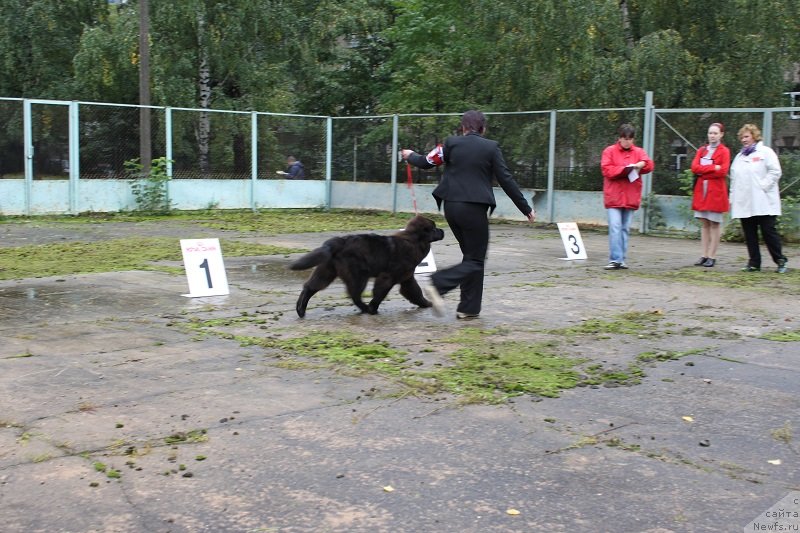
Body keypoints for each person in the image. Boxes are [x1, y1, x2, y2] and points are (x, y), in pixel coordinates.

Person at [400, 110, 534, 319]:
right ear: (483, 129)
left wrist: (410, 156)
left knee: (471, 258)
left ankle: (468, 308)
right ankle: (439, 283)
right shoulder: (491, 148)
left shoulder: (450, 144)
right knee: (476, 260)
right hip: (474, 208)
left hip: (451, 207)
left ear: (463, 128)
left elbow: (428, 161)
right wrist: (525, 207)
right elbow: (506, 179)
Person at [729, 123, 788, 273]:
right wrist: (733, 197)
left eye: (747, 136)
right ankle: (754, 262)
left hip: (764, 201)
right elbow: (734, 179)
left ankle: (780, 260)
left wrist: (763, 186)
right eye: (742, 137)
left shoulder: (766, 152)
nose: (744, 139)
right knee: (749, 234)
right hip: (745, 202)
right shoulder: (739, 157)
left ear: (755, 136)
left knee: (768, 232)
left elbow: (775, 171)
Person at [600, 123, 655, 270]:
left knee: (625, 228)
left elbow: (650, 165)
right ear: (619, 138)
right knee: (615, 226)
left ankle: (621, 259)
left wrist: (641, 164)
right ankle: (615, 259)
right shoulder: (609, 151)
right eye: (624, 138)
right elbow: (607, 170)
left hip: (630, 197)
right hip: (614, 197)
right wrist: (624, 169)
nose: (627, 141)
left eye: (630, 139)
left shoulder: (639, 151)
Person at [690, 122, 731, 267]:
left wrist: (705, 170)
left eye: (715, 133)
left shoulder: (724, 151)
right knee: (704, 223)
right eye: (710, 133)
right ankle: (704, 255)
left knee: (715, 223)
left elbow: (723, 171)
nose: (712, 136)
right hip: (702, 189)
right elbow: (694, 168)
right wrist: (713, 167)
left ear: (721, 135)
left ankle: (712, 256)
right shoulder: (701, 150)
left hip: (716, 190)